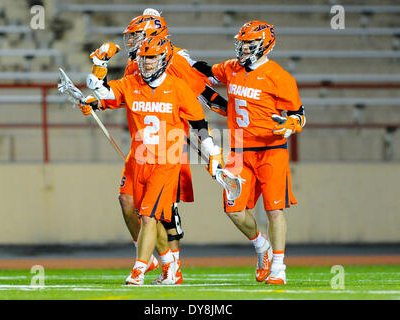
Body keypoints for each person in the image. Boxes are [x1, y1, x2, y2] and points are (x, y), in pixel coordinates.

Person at [87, 8, 228, 284]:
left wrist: (214, 154)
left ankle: (142, 268)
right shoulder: (132, 75)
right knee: (130, 205)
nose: (145, 61)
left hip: (169, 154)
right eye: (142, 56)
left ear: (162, 54)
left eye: (150, 56)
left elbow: (203, 113)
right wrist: (98, 72)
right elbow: (103, 90)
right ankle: (168, 266)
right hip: (138, 154)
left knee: (155, 215)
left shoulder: (178, 79)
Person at [193, 20, 306, 284]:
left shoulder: (279, 77)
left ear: (265, 45)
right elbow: (206, 71)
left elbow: (299, 115)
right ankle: (261, 246)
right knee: (233, 209)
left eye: (249, 44)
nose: (243, 48)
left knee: (274, 210)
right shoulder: (233, 68)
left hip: (271, 150)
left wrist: (290, 124)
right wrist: (180, 60)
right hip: (240, 150)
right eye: (241, 43)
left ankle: (278, 268)